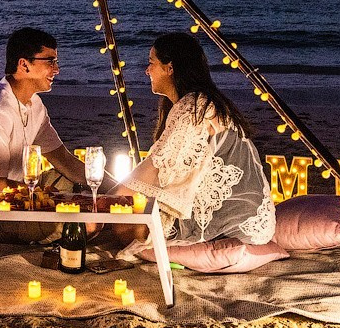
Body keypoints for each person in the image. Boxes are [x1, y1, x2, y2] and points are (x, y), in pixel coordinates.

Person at [117, 31, 276, 247]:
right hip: (255, 220)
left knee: (124, 225)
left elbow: (156, 166)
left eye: (151, 63)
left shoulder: (194, 108)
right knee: (133, 211)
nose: (147, 70)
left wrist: (109, 200)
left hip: (231, 223)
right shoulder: (201, 102)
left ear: (169, 68)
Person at [0, 26, 86, 235]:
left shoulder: (35, 104)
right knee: (84, 224)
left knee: (79, 187)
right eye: (50, 62)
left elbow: (64, 160)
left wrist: (120, 188)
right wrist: (50, 199)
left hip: (21, 192)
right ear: (24, 64)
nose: (57, 69)